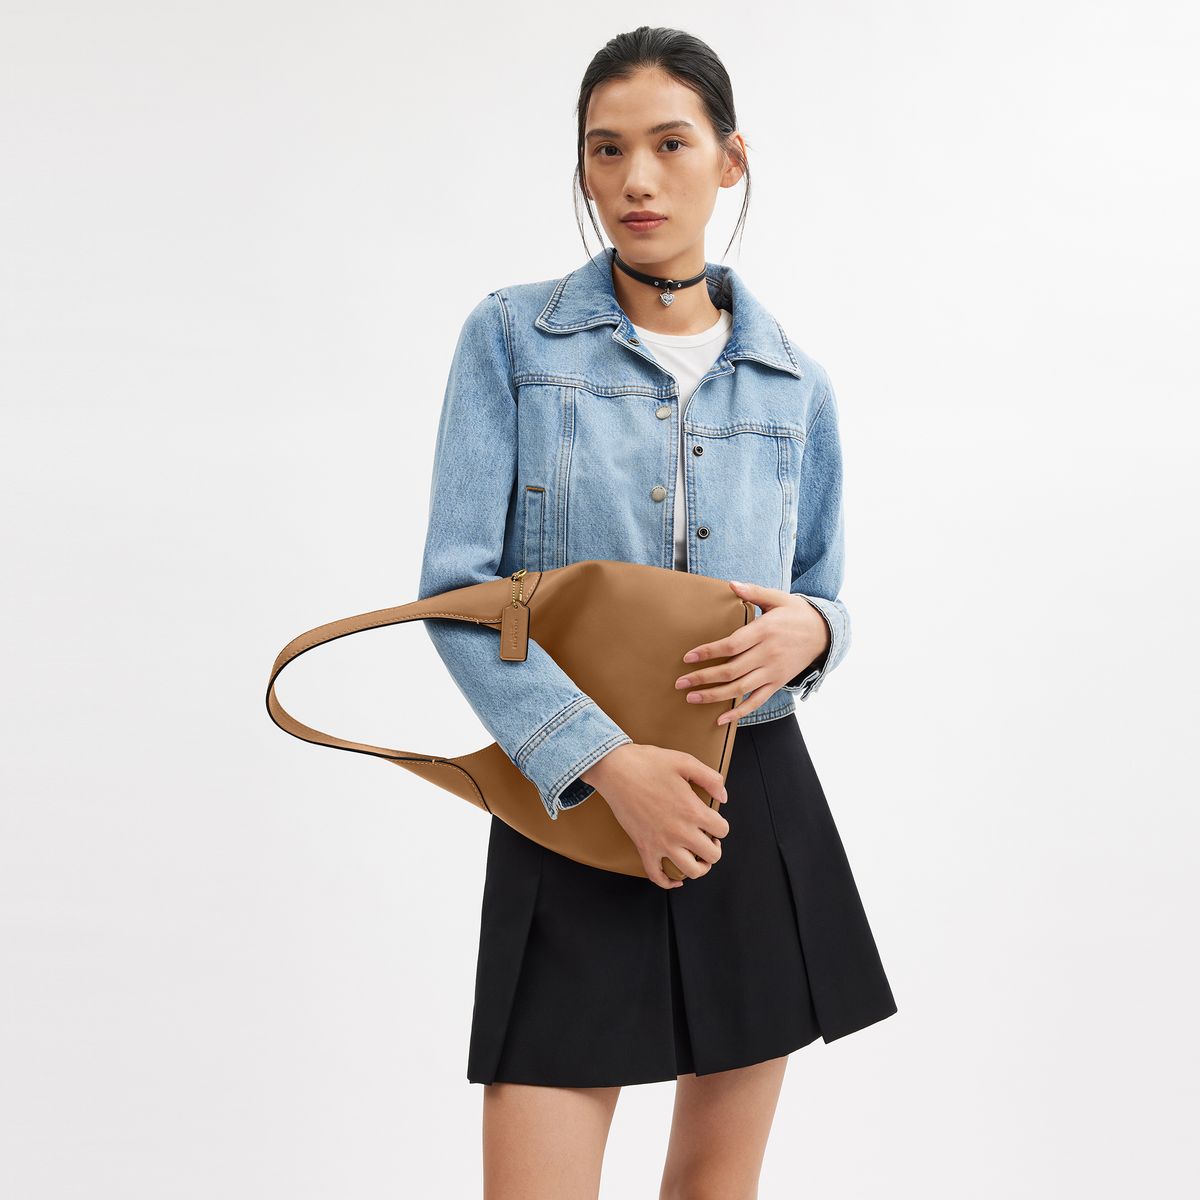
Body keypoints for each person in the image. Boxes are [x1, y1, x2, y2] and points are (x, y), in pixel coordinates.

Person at [417, 25, 897, 1200]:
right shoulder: (511, 339)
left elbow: (823, 589)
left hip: (749, 796)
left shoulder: (793, 381)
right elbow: (458, 597)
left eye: (670, 145)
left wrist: (817, 633)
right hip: (576, 797)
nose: (636, 179)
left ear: (729, 160)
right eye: (607, 149)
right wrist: (603, 762)